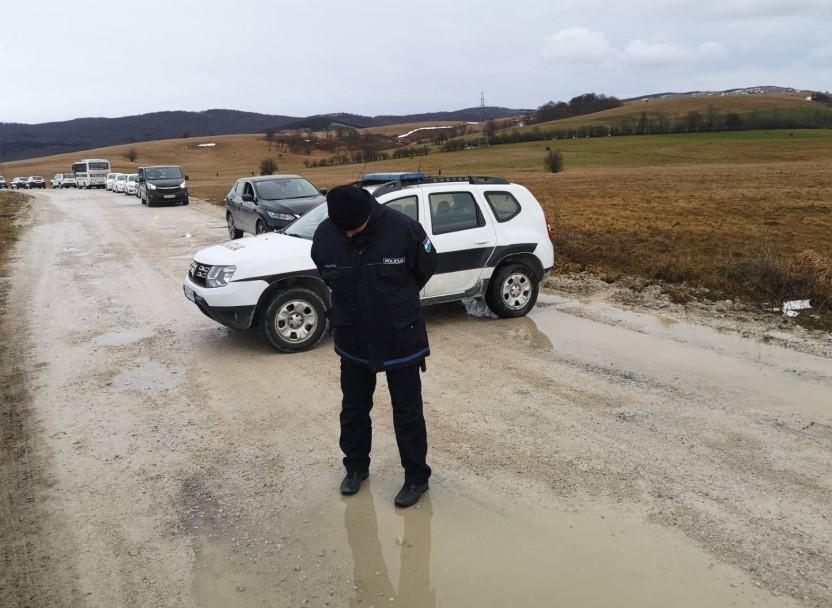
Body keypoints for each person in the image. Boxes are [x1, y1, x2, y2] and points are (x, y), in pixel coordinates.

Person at [311, 185, 438, 508]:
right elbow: (325, 270)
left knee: (407, 412)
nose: (350, 235)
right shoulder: (327, 234)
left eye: (356, 228)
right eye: (345, 231)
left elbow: (425, 268)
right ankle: (355, 468)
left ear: (368, 214)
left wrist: (392, 301)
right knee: (354, 408)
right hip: (353, 337)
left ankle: (416, 478)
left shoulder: (404, 229)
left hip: (400, 336)